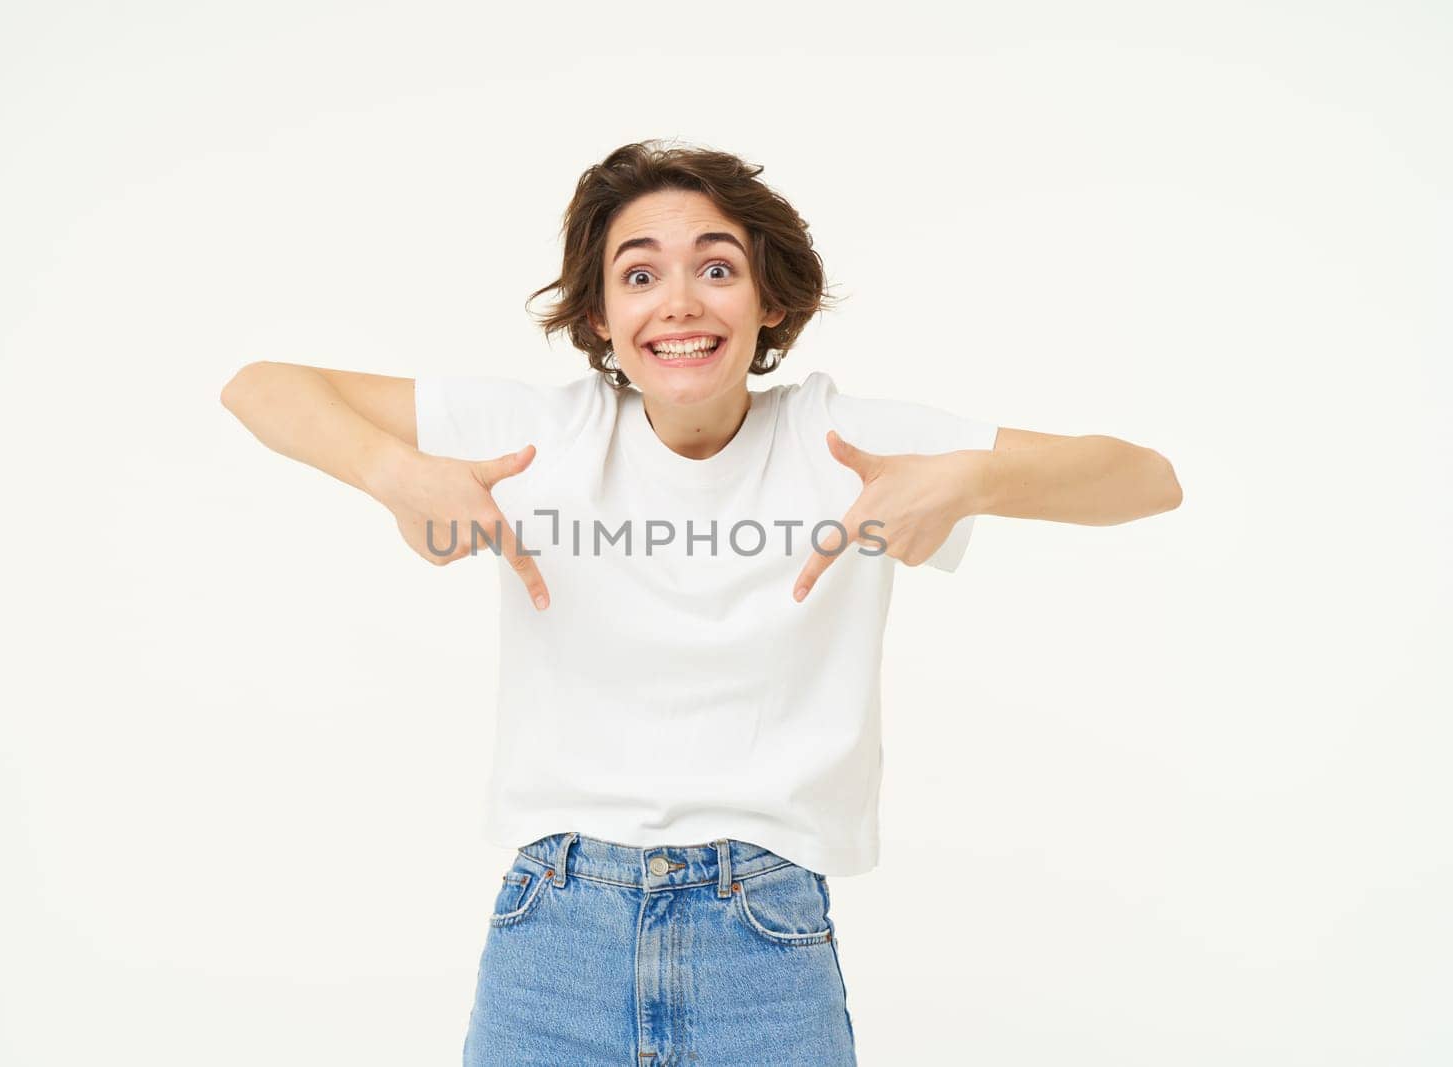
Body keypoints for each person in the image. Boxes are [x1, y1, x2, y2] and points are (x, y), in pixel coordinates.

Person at [219, 139, 1183, 1066]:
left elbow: (1147, 480)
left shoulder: (840, 438)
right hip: (552, 937)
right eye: (638, 275)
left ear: (769, 300)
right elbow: (262, 386)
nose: (677, 300)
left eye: (716, 268)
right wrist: (395, 472)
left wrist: (969, 480)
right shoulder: (544, 433)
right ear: (599, 315)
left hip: (765, 944)